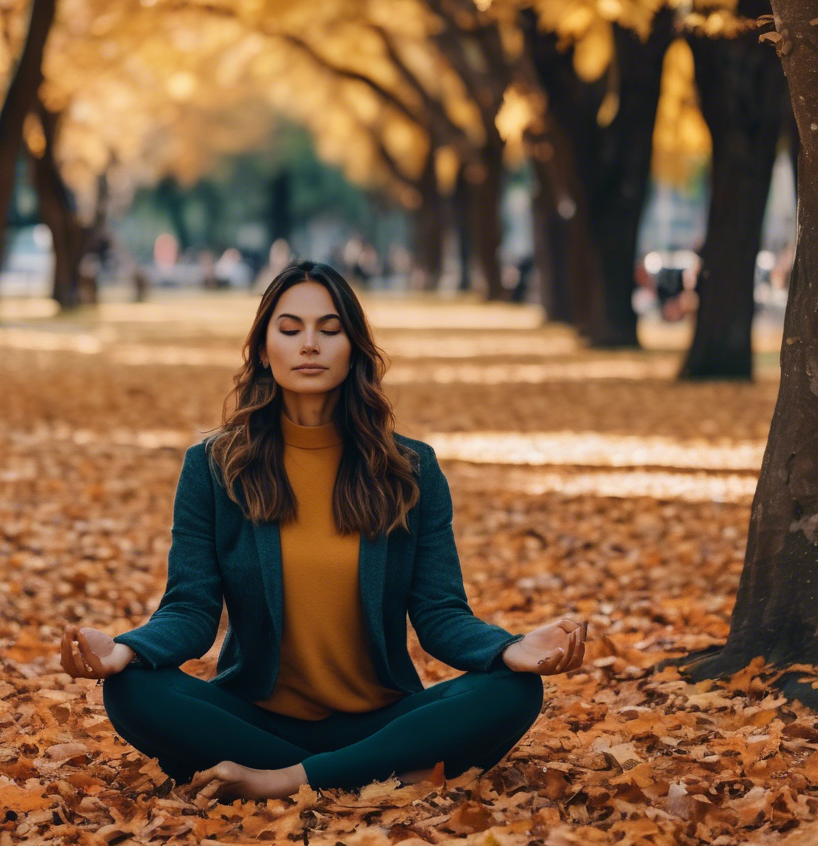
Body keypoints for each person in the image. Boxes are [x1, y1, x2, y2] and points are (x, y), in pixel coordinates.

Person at [60, 259, 587, 802]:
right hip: (255, 720)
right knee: (132, 692)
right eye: (290, 330)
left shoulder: (411, 468)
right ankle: (366, 774)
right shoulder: (214, 467)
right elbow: (190, 610)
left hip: (382, 718)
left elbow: (439, 613)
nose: (309, 344)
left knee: (514, 692)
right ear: (264, 349)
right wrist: (128, 650)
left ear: (354, 348)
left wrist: (509, 650)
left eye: (329, 330)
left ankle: (289, 779)